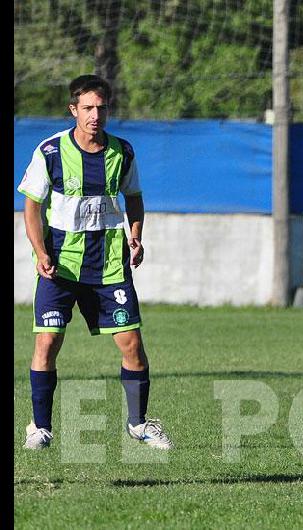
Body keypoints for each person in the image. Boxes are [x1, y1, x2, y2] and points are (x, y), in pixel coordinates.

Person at [18, 74, 173, 450]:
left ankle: (138, 424)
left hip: (108, 267)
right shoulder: (51, 152)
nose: (95, 115)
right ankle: (40, 428)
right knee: (47, 343)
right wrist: (40, 252)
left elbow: (133, 197)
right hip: (60, 267)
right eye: (87, 108)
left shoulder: (123, 152)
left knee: (132, 344)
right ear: (74, 110)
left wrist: (136, 235)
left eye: (101, 108)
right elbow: (31, 207)